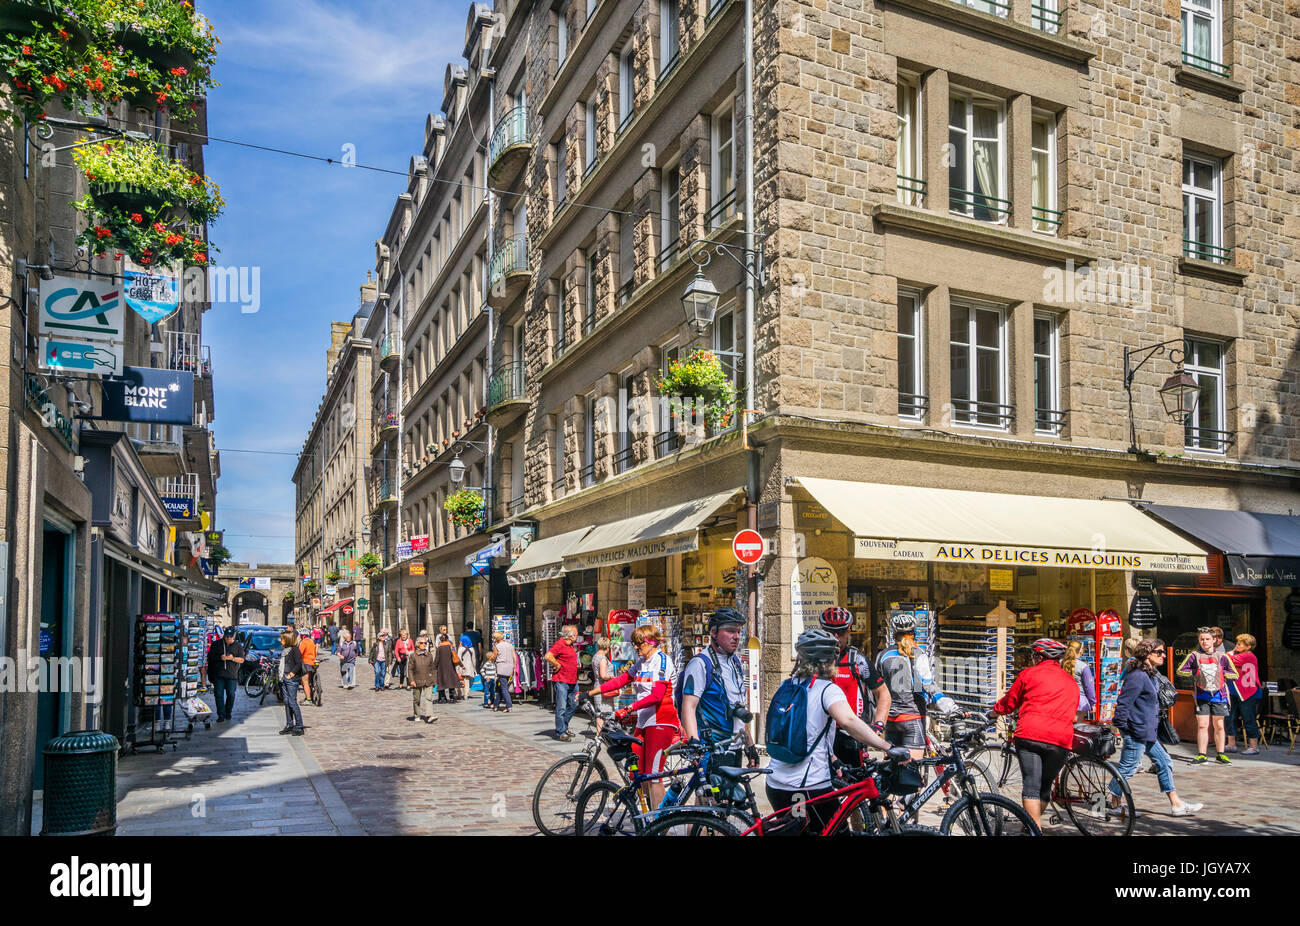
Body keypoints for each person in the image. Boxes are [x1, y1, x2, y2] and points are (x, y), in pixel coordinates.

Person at [765, 629, 909, 834]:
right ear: (829, 660)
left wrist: (833, 759)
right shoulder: (827, 689)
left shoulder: (786, 685)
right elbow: (849, 721)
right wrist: (888, 747)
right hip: (808, 787)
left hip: (776, 783)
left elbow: (805, 733)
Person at [989, 638, 1079, 828]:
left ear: (1038, 657)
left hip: (1031, 734)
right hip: (1061, 739)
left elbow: (1009, 702)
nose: (1031, 659)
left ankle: (1034, 828)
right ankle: (1030, 827)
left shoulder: (1029, 674)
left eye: (1032, 655)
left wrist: (993, 712)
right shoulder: (1071, 682)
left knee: (1031, 784)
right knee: (1045, 786)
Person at [589, 624, 681, 808]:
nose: (636, 648)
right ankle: (649, 813)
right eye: (634, 644)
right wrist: (591, 693)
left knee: (653, 775)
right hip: (644, 721)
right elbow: (621, 680)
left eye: (639, 644)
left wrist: (629, 708)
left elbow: (656, 696)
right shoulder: (641, 662)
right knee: (636, 773)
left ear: (651, 643)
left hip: (661, 721)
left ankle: (661, 822)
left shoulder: (661, 660)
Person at [1111, 639, 1202, 816]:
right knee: (1128, 768)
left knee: (1164, 762)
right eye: (1159, 652)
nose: (1163, 655)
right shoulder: (1137, 675)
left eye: (1163, 652)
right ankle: (1113, 803)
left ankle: (1176, 804)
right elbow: (1123, 703)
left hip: (1147, 730)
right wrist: (1125, 729)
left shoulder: (1149, 674)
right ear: (1146, 654)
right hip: (1137, 731)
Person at [679, 608, 759, 770]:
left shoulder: (735, 662)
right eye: (730, 631)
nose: (736, 637)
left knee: (730, 794)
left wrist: (750, 746)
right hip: (711, 747)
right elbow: (688, 706)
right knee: (709, 794)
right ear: (714, 633)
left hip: (734, 747)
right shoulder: (700, 664)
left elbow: (737, 708)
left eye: (738, 631)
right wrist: (694, 742)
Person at [877, 613, 959, 759]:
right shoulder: (918, 655)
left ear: (893, 635)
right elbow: (927, 685)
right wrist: (949, 706)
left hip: (891, 720)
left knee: (889, 771)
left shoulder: (882, 656)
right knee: (912, 773)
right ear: (914, 634)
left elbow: (876, 689)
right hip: (913, 718)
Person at [816, 606, 890, 767]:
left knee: (856, 786)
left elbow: (883, 693)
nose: (836, 637)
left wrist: (878, 725)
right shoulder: (813, 661)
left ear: (849, 631)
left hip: (851, 735)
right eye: (830, 632)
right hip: (820, 734)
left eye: (841, 632)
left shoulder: (858, 661)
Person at [1176, 626, 1239, 764]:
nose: (1205, 642)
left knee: (1219, 725)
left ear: (1214, 640)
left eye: (1207, 639)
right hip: (1201, 696)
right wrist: (1196, 673)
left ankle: (1220, 754)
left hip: (1219, 695)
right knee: (1202, 725)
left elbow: (1235, 674)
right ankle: (1201, 754)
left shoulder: (1222, 656)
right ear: (1199, 640)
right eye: (1202, 639)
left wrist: (1221, 673)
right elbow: (1181, 671)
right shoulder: (1194, 655)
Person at [1225, 633, 1262, 755]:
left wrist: (1230, 653)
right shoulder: (1240, 654)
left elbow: (1227, 659)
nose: (1237, 645)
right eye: (1237, 643)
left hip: (1247, 692)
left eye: (1240, 644)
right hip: (1233, 690)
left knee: (1248, 719)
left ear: (1248, 646)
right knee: (1229, 717)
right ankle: (1231, 744)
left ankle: (1254, 746)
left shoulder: (1249, 656)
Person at [544, 624, 581, 741]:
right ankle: (561, 732)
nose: (577, 636)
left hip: (572, 680)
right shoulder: (560, 644)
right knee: (561, 707)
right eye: (576, 634)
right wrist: (557, 664)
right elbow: (548, 656)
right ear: (570, 636)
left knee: (574, 704)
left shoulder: (571, 645)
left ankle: (564, 726)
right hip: (562, 680)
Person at [207, 626, 245, 723]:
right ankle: (221, 714)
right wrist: (220, 657)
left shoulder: (238, 646)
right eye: (226, 636)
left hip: (232, 675)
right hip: (219, 674)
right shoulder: (216, 644)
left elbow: (242, 660)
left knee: (231, 694)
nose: (228, 639)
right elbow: (210, 658)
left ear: (233, 637)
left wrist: (232, 658)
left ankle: (228, 711)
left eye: (230, 637)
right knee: (218, 694)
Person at [406, 635, 439, 724]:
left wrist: (434, 680)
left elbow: (433, 668)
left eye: (425, 643)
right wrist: (411, 680)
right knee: (417, 699)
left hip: (428, 680)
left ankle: (430, 716)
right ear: (417, 644)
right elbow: (410, 669)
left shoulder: (429, 655)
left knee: (429, 698)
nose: (423, 644)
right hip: (417, 680)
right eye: (421, 643)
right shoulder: (413, 656)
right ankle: (417, 715)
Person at [1062, 640, 1097, 721]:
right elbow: (1089, 687)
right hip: (1079, 702)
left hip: (1063, 701)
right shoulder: (1083, 666)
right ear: (1081, 651)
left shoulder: (1061, 663)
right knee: (1077, 729)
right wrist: (1093, 703)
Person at [279, 630, 305, 736]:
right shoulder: (285, 650)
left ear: (288, 640)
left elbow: (299, 663)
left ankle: (299, 726)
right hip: (284, 678)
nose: (280, 641)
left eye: (282, 639)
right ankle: (289, 724)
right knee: (286, 702)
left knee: (292, 702)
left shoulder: (294, 650)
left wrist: (291, 674)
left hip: (291, 679)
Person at [589, 636, 614, 734]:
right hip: (604, 687)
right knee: (605, 711)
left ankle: (599, 734)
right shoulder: (602, 659)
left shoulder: (595, 656)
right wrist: (612, 677)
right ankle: (603, 734)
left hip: (597, 685)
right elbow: (603, 675)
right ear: (607, 647)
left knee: (599, 712)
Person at [489, 631, 515, 712]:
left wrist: (490, 660)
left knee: (503, 688)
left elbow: (493, 656)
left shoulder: (498, 646)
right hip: (509, 668)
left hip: (502, 668)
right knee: (500, 687)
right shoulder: (510, 645)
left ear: (495, 639)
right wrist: (515, 667)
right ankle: (496, 705)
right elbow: (514, 656)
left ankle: (509, 706)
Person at [434, 633, 461, 703]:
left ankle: (442, 698)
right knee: (451, 681)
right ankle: (452, 696)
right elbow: (455, 656)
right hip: (450, 666)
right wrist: (461, 664)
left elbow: (437, 659)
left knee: (441, 682)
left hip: (441, 668)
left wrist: (434, 666)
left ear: (440, 640)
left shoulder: (439, 648)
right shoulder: (451, 646)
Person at [298, 629, 318, 705]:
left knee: (305, 682)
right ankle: (308, 696)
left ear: (302, 636)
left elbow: (300, 653)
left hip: (305, 663)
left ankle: (308, 699)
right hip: (312, 662)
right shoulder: (311, 641)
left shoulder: (303, 642)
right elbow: (315, 652)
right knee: (308, 681)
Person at [456, 633, 477, 701]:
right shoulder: (472, 649)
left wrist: (458, 668)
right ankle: (466, 694)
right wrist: (474, 668)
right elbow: (474, 659)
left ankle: (459, 694)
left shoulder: (460, 649)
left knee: (460, 680)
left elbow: (458, 659)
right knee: (466, 680)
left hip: (462, 667)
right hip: (469, 667)